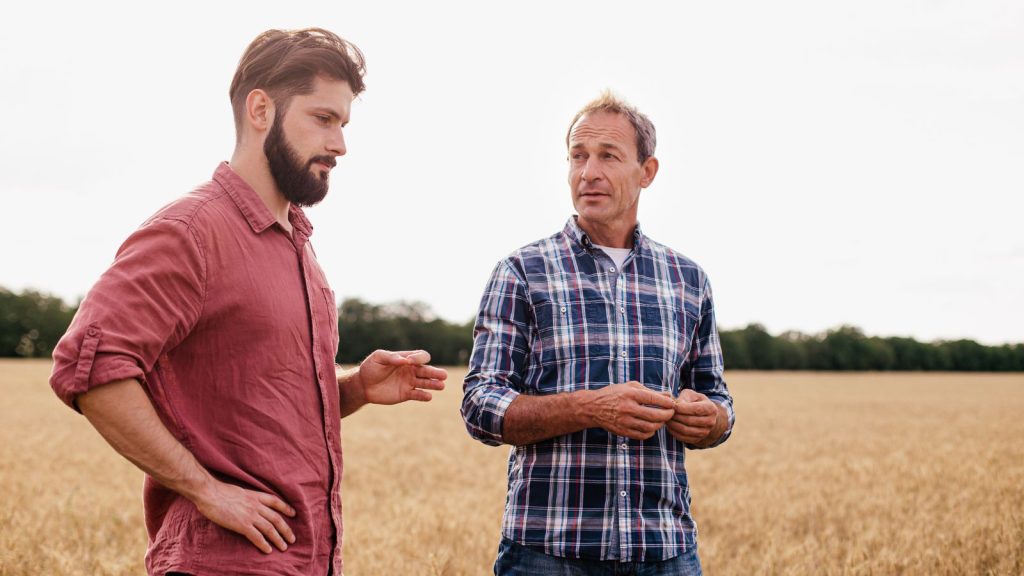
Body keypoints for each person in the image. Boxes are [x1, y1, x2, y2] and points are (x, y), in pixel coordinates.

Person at [49, 28, 446, 576]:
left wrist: (351, 389)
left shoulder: (300, 247)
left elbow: (256, 400)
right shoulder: (190, 232)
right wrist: (205, 490)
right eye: (323, 119)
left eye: (344, 124)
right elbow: (88, 367)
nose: (340, 145)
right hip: (220, 563)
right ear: (261, 109)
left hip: (309, 560)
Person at [461, 92, 735, 576]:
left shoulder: (688, 280)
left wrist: (709, 419)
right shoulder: (522, 272)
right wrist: (590, 407)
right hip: (546, 554)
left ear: (647, 171)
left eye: (608, 156)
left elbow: (718, 401)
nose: (588, 172)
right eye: (577, 156)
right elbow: (481, 407)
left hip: (665, 553)